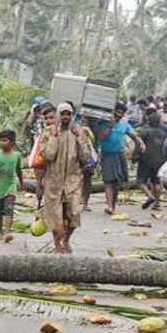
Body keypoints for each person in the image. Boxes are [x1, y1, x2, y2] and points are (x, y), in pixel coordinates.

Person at [40, 103, 92, 253]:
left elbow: (86, 157)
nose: (65, 117)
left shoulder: (79, 131)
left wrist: (80, 138)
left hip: (73, 180)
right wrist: (54, 137)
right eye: (62, 114)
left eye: (68, 114)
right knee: (55, 214)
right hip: (54, 181)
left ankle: (66, 239)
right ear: (58, 115)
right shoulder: (49, 132)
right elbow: (48, 155)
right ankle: (58, 244)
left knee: (74, 213)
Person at [98, 102, 146, 215]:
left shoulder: (125, 124)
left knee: (117, 183)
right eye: (117, 112)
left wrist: (141, 143)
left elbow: (133, 135)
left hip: (120, 155)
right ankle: (109, 206)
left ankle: (113, 205)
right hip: (107, 155)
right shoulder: (104, 123)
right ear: (113, 111)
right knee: (108, 181)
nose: (119, 115)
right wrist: (110, 126)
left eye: (121, 113)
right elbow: (101, 137)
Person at [137, 113, 167, 210]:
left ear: (149, 121)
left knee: (140, 181)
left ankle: (150, 196)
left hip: (146, 160)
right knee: (157, 182)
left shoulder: (144, 131)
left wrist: (135, 156)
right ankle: (157, 204)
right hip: (159, 161)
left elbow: (139, 146)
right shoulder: (164, 133)